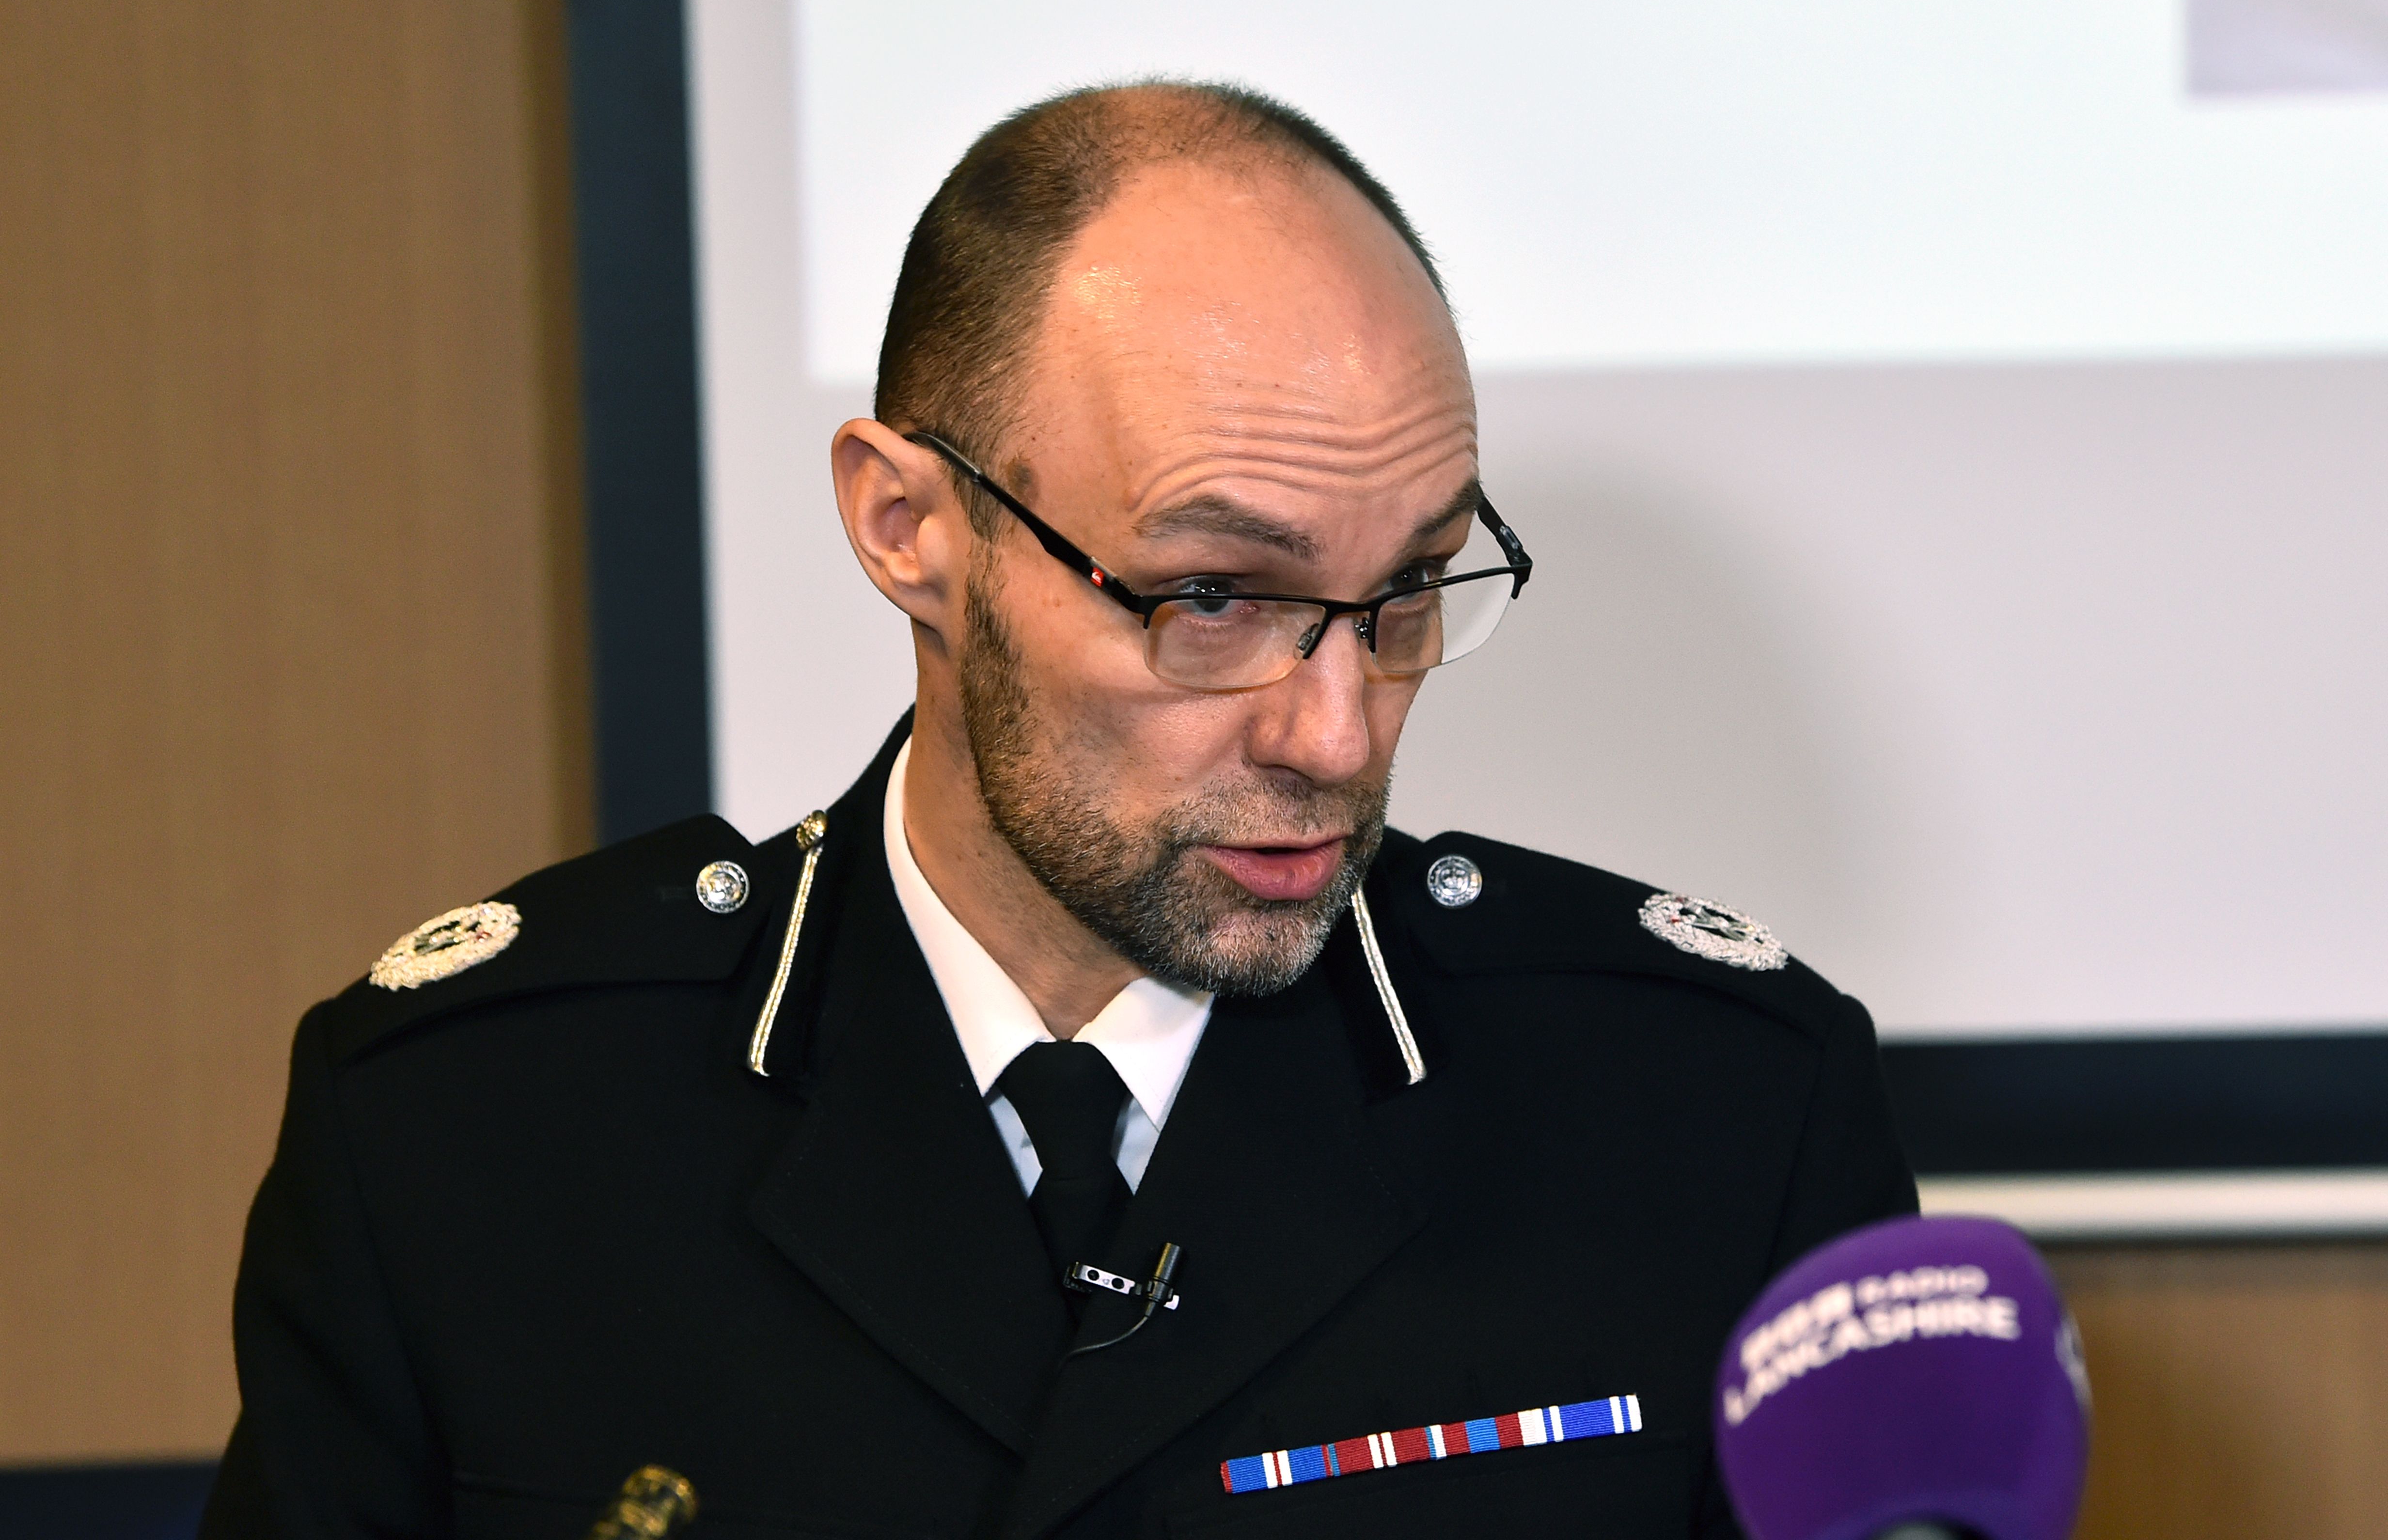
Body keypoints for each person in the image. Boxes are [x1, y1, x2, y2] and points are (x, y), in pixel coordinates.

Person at [201, 81, 1914, 1540]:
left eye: (1407, 592)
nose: (1337, 731)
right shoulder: (468, 1138)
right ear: (907, 528)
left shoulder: (1712, 1119)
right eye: (1211, 599)